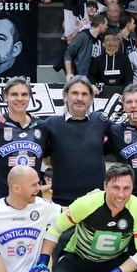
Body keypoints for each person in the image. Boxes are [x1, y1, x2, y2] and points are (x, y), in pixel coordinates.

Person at [42, 76, 114, 207]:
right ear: (65, 96)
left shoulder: (101, 121)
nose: (79, 98)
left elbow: (126, 132)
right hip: (62, 202)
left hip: (97, 201)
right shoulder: (50, 124)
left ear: (91, 98)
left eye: (84, 94)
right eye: (75, 93)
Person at [0, 77, 48, 200]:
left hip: (32, 200)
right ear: (5, 96)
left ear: (29, 97)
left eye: (24, 94)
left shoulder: (42, 126)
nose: (20, 98)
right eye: (14, 94)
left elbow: (49, 161)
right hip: (1, 200)